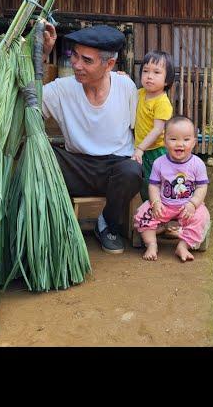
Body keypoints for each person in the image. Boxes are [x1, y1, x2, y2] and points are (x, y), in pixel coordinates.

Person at [42, 23, 142, 254]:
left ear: (109, 64)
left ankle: (106, 223)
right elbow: (30, 100)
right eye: (74, 56)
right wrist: (44, 55)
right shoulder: (62, 89)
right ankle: (60, 226)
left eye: (87, 60)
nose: (76, 65)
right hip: (76, 166)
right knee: (42, 155)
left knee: (132, 171)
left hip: (114, 169)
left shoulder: (125, 86)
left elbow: (137, 127)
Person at [134, 115, 210, 262]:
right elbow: (154, 185)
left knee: (202, 217)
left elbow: (202, 187)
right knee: (143, 213)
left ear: (194, 142)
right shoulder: (159, 163)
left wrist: (193, 203)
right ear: (165, 141)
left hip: (187, 207)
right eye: (173, 139)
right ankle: (152, 244)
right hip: (164, 205)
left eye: (186, 139)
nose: (179, 144)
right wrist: (155, 202)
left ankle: (183, 245)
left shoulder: (197, 164)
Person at [131, 50, 174, 202]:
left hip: (156, 151)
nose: (149, 76)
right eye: (145, 71)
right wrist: (120, 78)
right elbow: (126, 92)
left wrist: (141, 148)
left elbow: (157, 129)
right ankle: (149, 213)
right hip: (142, 150)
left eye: (156, 72)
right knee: (144, 183)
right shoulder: (140, 93)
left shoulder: (162, 102)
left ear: (167, 80)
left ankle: (162, 214)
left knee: (156, 183)